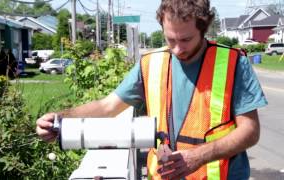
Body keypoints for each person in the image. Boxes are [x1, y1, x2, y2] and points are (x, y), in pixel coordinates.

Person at [36, 0, 267, 179]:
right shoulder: (151, 63)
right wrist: (60, 120)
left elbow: (250, 131)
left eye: (185, 40)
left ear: (204, 28)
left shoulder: (233, 63)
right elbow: (108, 107)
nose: (176, 49)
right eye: (170, 39)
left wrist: (198, 156)